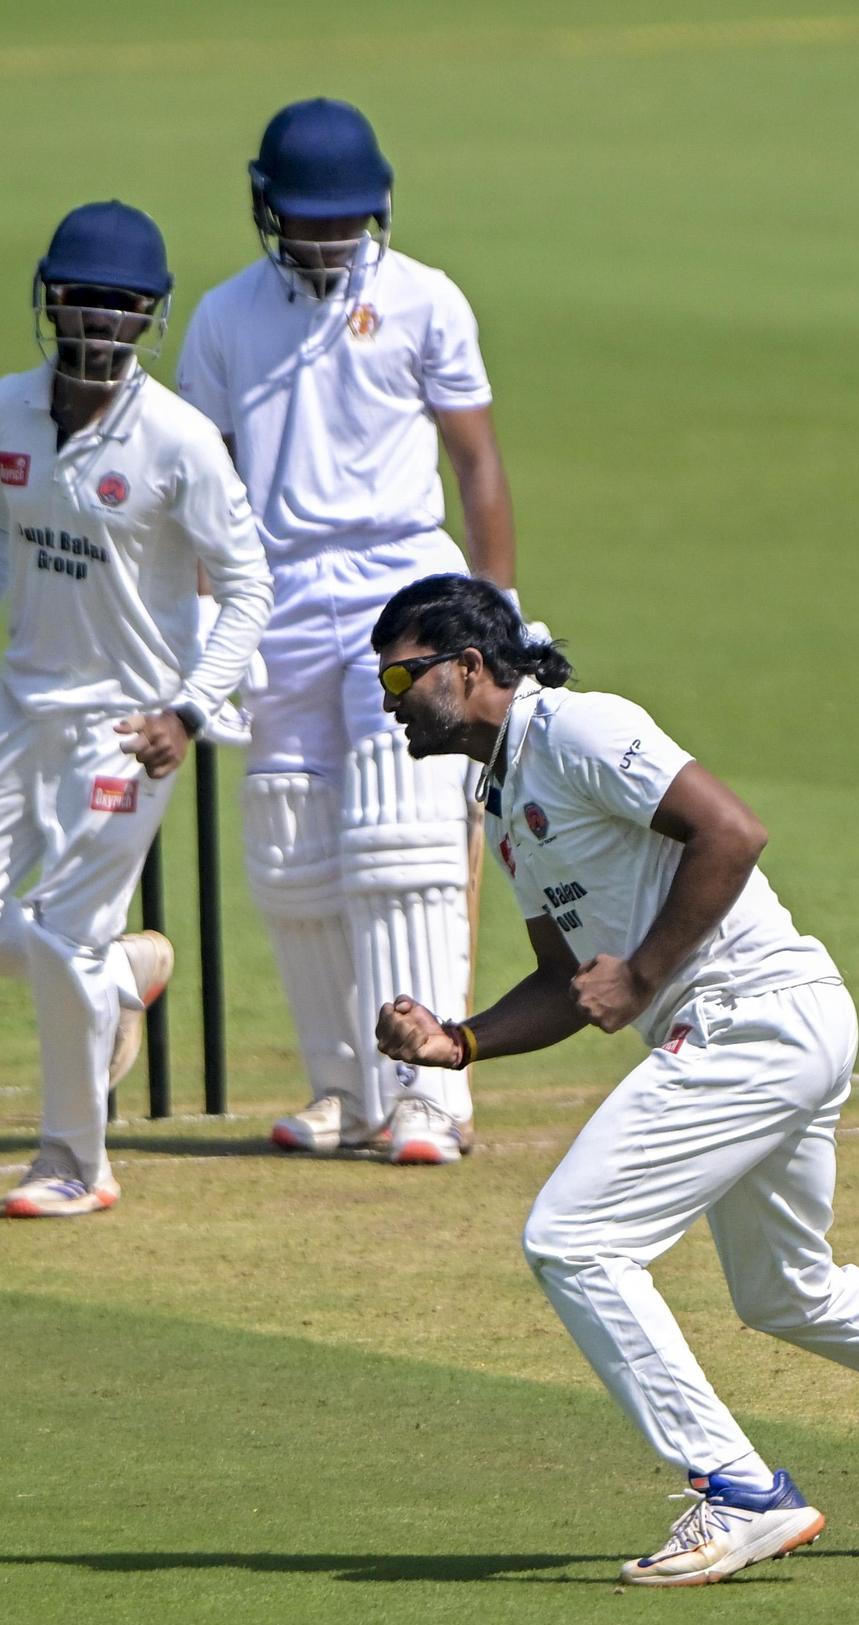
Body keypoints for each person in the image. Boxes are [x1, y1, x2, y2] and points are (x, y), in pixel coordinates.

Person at [370, 574, 859, 1586]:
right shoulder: (503, 797)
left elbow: (731, 831)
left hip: (753, 1017)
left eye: (400, 675)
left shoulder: (578, 728)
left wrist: (644, 973)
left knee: (574, 1239)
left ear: (469, 667)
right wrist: (460, 1042)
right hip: (764, 1028)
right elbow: (567, 979)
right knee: (787, 1289)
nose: (388, 700)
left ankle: (737, 1490)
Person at [176, 97, 518, 1167]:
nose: (328, 238)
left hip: (405, 586)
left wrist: (495, 610)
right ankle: (347, 1087)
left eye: (346, 218)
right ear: (266, 208)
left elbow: (476, 462)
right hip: (276, 589)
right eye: (308, 218)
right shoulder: (226, 318)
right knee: (289, 843)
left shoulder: (425, 299)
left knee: (403, 842)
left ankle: (429, 1094)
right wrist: (203, 620)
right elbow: (207, 486)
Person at [0, 200, 273, 1219]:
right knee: (64, 950)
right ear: (52, 300)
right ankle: (119, 979)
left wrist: (189, 712)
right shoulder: (6, 412)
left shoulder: (179, 440)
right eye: (83, 298)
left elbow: (247, 585)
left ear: (150, 313)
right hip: (21, 706)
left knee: (64, 935)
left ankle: (76, 1162)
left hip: (128, 725)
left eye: (122, 304)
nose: (100, 320)